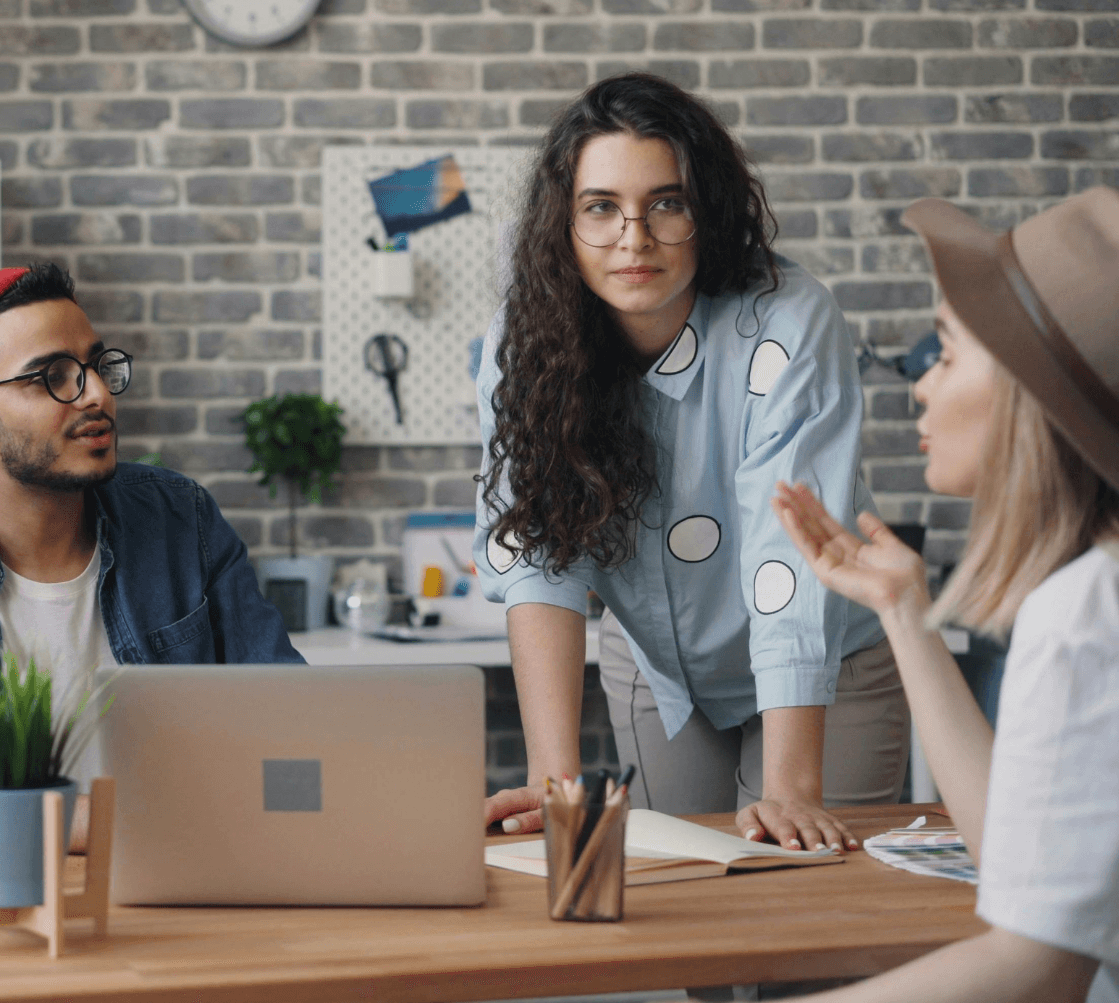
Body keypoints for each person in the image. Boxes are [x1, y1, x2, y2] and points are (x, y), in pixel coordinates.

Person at [476, 71, 908, 851]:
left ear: (705, 211)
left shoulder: (787, 319)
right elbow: (541, 557)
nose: (633, 239)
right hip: (658, 671)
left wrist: (790, 790)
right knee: (692, 907)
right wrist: (553, 782)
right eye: (601, 207)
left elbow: (791, 559)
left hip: (827, 672)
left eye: (667, 203)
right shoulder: (527, 337)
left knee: (802, 932)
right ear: (563, 223)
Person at [768, 187, 1119, 1003]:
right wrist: (901, 607)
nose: (921, 385)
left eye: (949, 353)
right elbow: (1025, 865)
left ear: (1033, 397)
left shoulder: (1084, 616)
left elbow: (1036, 971)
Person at [0, 263, 303, 853]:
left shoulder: (180, 518)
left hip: (199, 876)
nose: (99, 394)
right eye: (52, 376)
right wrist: (158, 821)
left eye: (97, 366)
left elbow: (288, 719)